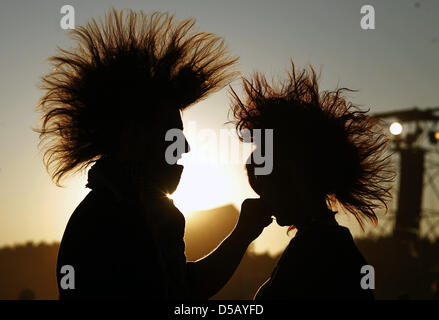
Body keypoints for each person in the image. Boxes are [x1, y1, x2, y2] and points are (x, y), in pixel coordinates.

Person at [36, 9, 272, 299]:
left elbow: (180, 286)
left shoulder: (102, 211)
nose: (184, 147)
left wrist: (243, 233)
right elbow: (183, 293)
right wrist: (242, 235)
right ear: (134, 137)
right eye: (172, 133)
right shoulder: (137, 217)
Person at [230, 62, 394, 300]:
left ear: (294, 176)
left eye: (265, 185)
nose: (261, 198)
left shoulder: (318, 249)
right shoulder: (327, 242)